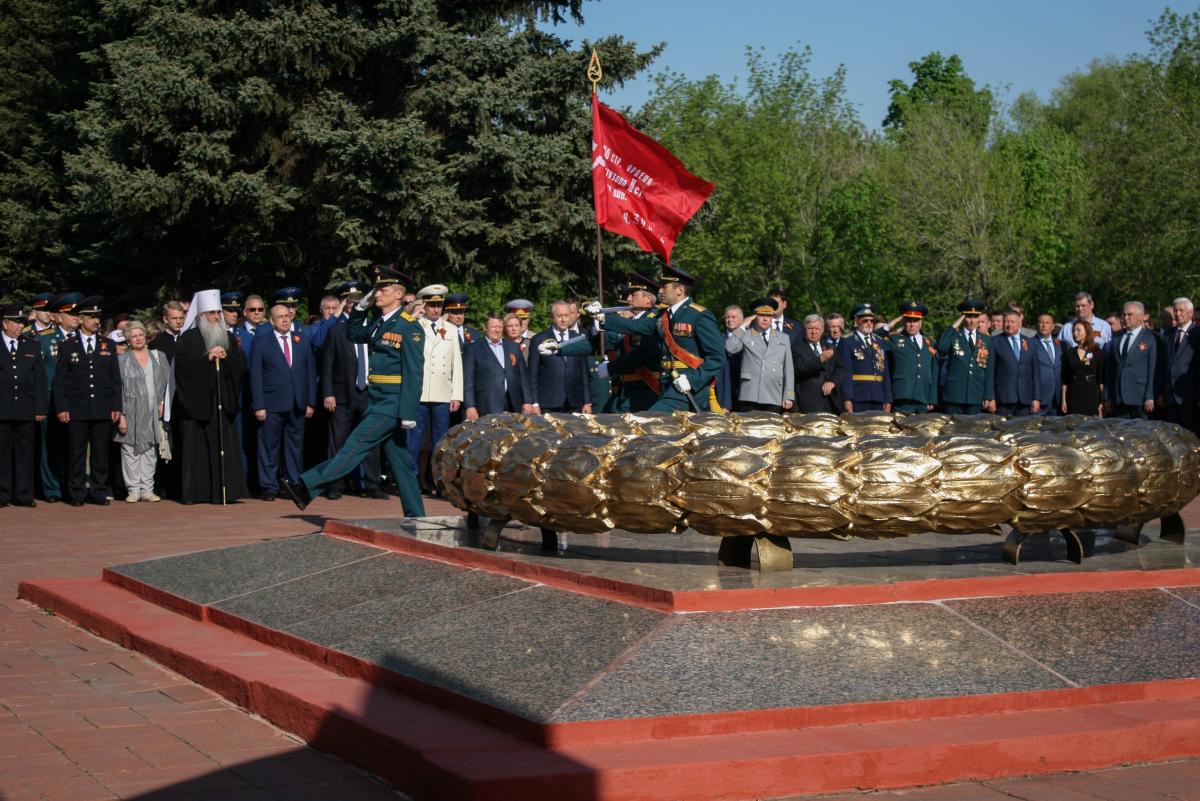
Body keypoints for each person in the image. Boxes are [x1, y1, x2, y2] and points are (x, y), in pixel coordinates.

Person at [281, 264, 426, 518]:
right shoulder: (380, 323)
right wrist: (360, 308)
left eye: (384, 289)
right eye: (377, 288)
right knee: (401, 463)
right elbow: (354, 333)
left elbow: (414, 372)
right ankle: (417, 515)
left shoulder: (409, 327)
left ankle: (307, 488)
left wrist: (408, 411)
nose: (377, 293)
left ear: (399, 295)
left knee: (354, 446)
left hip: (391, 403)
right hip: (377, 399)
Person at [585, 265, 725, 412]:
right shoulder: (661, 315)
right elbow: (637, 326)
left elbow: (717, 357)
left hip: (688, 388)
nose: (660, 290)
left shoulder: (698, 315)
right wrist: (602, 317)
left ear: (680, 290)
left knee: (650, 422)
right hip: (667, 385)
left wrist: (692, 380)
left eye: (665, 286)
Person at [173, 289, 248, 504]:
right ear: (201, 315)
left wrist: (227, 358)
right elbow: (183, 372)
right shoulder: (188, 339)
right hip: (199, 406)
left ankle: (226, 492)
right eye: (212, 313)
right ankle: (199, 493)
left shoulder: (228, 338)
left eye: (218, 313)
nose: (217, 317)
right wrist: (206, 359)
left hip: (223, 402)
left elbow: (241, 366)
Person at [53, 296, 122, 506]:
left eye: (97, 316)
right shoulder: (67, 346)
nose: (95, 320)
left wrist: (116, 405)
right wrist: (62, 407)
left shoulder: (107, 344)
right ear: (81, 319)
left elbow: (114, 379)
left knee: (100, 453)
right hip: (77, 408)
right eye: (91, 317)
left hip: (102, 407)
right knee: (76, 453)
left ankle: (98, 491)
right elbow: (61, 380)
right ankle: (77, 492)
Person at [320, 286, 385, 499]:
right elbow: (327, 364)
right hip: (342, 395)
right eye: (353, 305)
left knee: (370, 441)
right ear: (347, 307)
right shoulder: (337, 331)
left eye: (361, 305)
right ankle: (335, 485)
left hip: (369, 394)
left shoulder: (376, 328)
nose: (357, 308)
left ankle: (373, 484)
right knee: (338, 442)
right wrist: (328, 393)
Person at [250, 304, 316, 501]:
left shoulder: (302, 340)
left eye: (287, 316)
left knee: (295, 447)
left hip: (298, 403)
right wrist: (259, 405)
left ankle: (294, 484)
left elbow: (310, 372)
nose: (285, 320)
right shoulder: (262, 342)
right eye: (280, 317)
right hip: (271, 404)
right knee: (269, 448)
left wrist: (311, 402)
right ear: (272, 320)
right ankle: (269, 486)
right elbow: (255, 376)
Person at [411, 284, 462, 490]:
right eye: (431, 305)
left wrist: (456, 394)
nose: (435, 310)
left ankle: (440, 480)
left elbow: (456, 364)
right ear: (424, 305)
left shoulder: (450, 329)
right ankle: (412, 479)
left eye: (439, 305)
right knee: (414, 440)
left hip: (442, 393)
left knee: (441, 442)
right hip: (419, 392)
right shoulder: (415, 325)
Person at [113, 321, 169, 502]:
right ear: (128, 339)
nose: (138, 338)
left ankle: (147, 488)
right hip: (130, 410)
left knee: (150, 451)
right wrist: (121, 416)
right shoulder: (121, 360)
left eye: (140, 335)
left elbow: (167, 384)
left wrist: (163, 403)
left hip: (152, 410)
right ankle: (133, 489)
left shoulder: (158, 357)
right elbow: (116, 389)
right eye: (133, 336)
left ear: (146, 337)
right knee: (129, 450)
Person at [0, 303, 47, 508]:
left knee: (25, 453)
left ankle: (24, 494)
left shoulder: (31, 345)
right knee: (2, 453)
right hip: (2, 408)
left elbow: (39, 379)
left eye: (22, 322)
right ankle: (3, 493)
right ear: (5, 324)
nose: (20, 326)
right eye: (16, 322)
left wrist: (40, 408)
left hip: (26, 409)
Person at [724, 297, 794, 413]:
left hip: (773, 393)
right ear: (755, 316)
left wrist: (788, 395)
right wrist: (742, 326)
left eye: (769, 315)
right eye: (761, 315)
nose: (765, 319)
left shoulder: (783, 338)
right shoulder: (746, 334)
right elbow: (730, 348)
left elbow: (789, 369)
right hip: (750, 393)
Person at [529, 301, 592, 414]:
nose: (563, 320)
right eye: (559, 316)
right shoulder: (539, 340)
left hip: (575, 402)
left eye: (566, 316)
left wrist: (587, 401)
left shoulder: (579, 339)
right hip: (548, 402)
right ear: (553, 317)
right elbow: (532, 374)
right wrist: (534, 403)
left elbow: (584, 373)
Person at [464, 314, 531, 419]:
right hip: (487, 403)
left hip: (513, 403)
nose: (497, 330)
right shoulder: (473, 349)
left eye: (500, 327)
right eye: (494, 327)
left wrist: (527, 401)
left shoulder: (513, 347)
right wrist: (470, 406)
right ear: (485, 327)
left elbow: (523, 376)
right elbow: (468, 381)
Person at [938, 299, 995, 415]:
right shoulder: (954, 336)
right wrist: (954, 325)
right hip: (954, 394)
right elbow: (941, 347)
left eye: (975, 316)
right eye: (968, 316)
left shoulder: (986, 340)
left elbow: (989, 371)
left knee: (973, 431)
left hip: (975, 394)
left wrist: (988, 396)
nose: (972, 320)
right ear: (963, 317)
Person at [1106, 301, 1157, 419]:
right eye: (1124, 315)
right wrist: (1107, 396)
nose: (1125, 318)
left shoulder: (1150, 338)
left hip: (1140, 397)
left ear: (1140, 316)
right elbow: (1110, 370)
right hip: (1119, 398)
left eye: (1130, 315)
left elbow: (1152, 369)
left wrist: (1150, 396)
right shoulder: (1117, 338)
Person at [884, 302, 937, 414]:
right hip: (903, 395)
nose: (912, 324)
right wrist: (888, 326)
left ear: (921, 322)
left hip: (923, 396)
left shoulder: (929, 343)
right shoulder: (894, 340)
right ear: (903, 321)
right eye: (908, 320)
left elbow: (933, 371)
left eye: (916, 321)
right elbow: (873, 338)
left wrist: (932, 398)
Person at [839, 304, 891, 413]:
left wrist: (888, 398)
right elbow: (846, 372)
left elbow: (885, 372)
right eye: (865, 320)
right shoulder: (848, 341)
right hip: (858, 397)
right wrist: (847, 398)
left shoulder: (879, 342)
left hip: (878, 396)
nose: (869, 323)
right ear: (856, 321)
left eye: (872, 321)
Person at [1158, 297, 1199, 434]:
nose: (1177, 314)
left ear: (1190, 313)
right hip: (1169, 398)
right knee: (1172, 438)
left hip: (1189, 397)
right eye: (1175, 311)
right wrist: (1161, 392)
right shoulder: (1168, 335)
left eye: (1181, 310)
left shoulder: (1197, 334)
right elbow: (1163, 366)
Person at [991, 308, 1041, 416]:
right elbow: (990, 372)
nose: (1009, 325)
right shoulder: (995, 342)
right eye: (1006, 322)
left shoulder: (1030, 342)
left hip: (1025, 399)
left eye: (1012, 322)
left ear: (1020, 323)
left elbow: (1035, 372)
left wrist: (1036, 398)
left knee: (1024, 432)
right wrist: (991, 398)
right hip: (1004, 398)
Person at [792, 314, 840, 414]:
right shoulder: (796, 348)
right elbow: (797, 370)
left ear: (822, 330)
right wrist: (820, 360)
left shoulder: (829, 346)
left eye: (817, 328)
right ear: (804, 330)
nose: (814, 332)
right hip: (809, 402)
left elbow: (840, 368)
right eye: (810, 328)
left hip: (831, 402)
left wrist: (833, 382)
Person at [1061, 320, 1106, 416]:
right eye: (1073, 331)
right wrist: (1064, 400)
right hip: (1074, 393)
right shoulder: (1069, 353)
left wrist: (1102, 401)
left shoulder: (1097, 352)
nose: (1075, 333)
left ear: (1087, 332)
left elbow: (1101, 379)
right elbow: (1065, 380)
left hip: (1091, 392)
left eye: (1078, 330)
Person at [1031, 313, 1062, 416]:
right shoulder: (1030, 344)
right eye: (1041, 322)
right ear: (1037, 325)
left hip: (1058, 398)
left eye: (1047, 323)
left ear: (1053, 326)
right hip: (1040, 398)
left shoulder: (1061, 345)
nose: (1044, 325)